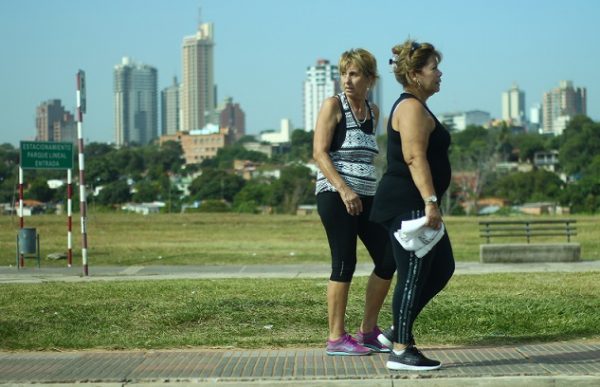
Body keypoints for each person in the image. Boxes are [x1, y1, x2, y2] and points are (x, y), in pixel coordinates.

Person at [370, 39, 455, 371]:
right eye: (434, 68)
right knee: (413, 275)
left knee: (442, 267)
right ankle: (402, 350)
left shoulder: (418, 106)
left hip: (414, 204)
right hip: (409, 205)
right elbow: (413, 156)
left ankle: (395, 332)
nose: (440, 73)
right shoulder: (410, 108)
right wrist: (430, 202)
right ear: (416, 74)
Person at [313, 48, 396, 356]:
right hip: (336, 195)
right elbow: (319, 153)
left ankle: (367, 331)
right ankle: (336, 338)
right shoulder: (333, 106)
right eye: (344, 73)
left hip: (366, 196)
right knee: (345, 262)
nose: (347, 80)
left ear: (370, 79)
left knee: (389, 256)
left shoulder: (373, 111)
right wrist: (344, 189)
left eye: (354, 73)